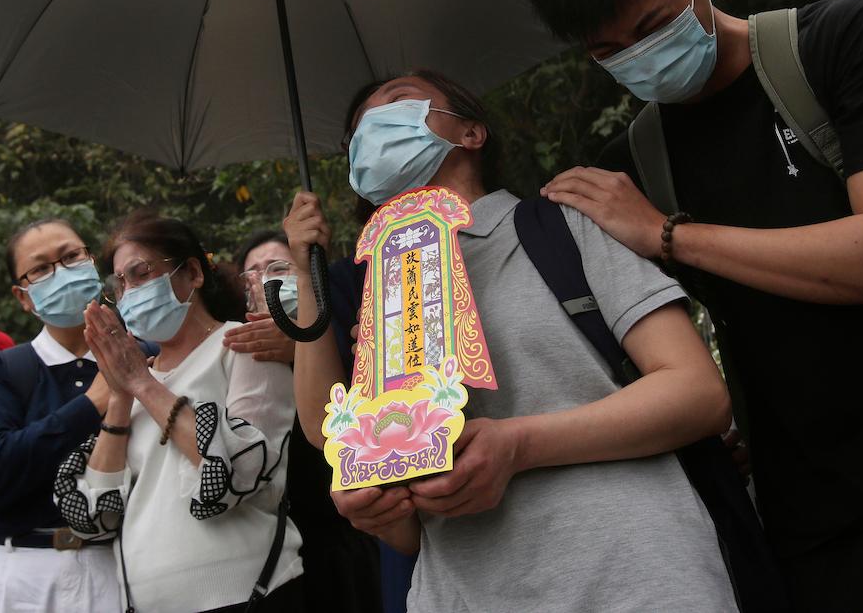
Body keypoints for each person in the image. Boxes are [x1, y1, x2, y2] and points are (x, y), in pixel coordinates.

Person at [519, 0, 863, 611]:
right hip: (814, 531)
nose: (640, 59)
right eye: (609, 52)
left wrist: (670, 235)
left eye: (653, 27)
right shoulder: (638, 165)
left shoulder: (840, 42)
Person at [285, 71, 738, 612]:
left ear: (471, 133)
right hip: (460, 592)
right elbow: (328, 437)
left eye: (397, 103)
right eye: (359, 130)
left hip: (630, 576)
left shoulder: (563, 225)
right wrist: (380, 507)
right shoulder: (373, 287)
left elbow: (698, 394)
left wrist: (518, 445)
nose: (373, 128)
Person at [55, 210, 303, 612]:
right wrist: (119, 397)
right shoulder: (135, 379)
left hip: (247, 594)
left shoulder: (243, 346)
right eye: (119, 285)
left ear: (192, 273)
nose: (129, 293)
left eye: (140, 273)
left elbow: (237, 472)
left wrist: (141, 384)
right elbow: (95, 517)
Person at [0, 218, 118, 611]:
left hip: (116, 569)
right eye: (41, 268)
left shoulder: (144, 354)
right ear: (23, 296)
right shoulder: (1, 370)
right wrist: (89, 406)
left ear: (92, 262)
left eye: (71, 256)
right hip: (16, 576)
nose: (60, 273)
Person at [231, 230, 382, 613]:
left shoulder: (345, 326)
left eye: (279, 267)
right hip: (277, 552)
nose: (267, 279)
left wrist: (303, 346)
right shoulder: (230, 352)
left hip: (347, 536)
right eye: (255, 271)